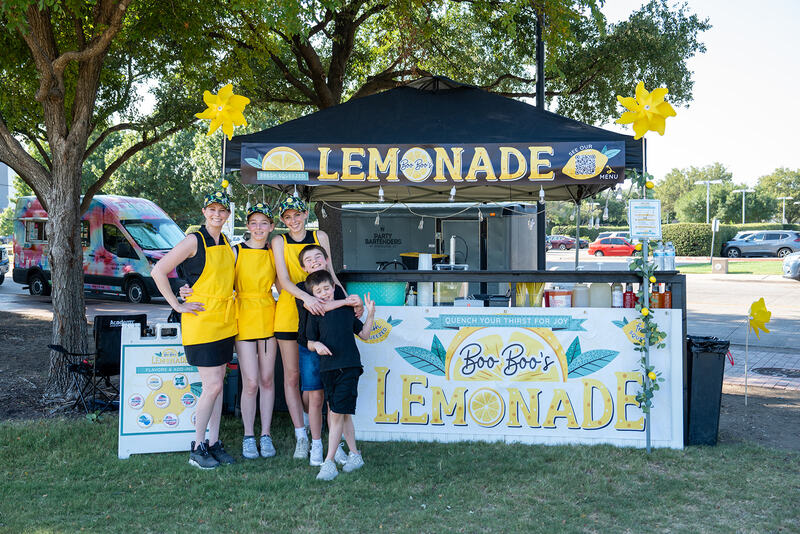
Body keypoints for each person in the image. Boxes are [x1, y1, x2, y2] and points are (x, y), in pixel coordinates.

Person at [151, 190, 237, 470]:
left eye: (222, 210)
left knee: (218, 385)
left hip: (224, 322)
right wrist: (177, 304)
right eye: (212, 210)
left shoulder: (225, 241)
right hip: (201, 323)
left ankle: (213, 443)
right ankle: (196, 447)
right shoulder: (192, 240)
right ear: (204, 212)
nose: (217, 214)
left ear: (227, 214)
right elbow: (159, 270)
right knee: (211, 386)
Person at [271, 196, 343, 461]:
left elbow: (331, 273)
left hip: (321, 313)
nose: (293, 221)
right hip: (291, 313)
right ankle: (301, 434)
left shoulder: (320, 235)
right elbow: (284, 280)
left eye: (297, 215)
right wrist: (307, 298)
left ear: (305, 214)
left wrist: (344, 300)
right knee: (292, 377)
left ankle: (321, 429)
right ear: (283, 220)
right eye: (288, 217)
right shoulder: (278, 241)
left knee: (319, 378)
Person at [304, 270, 375, 481]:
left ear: (334, 288)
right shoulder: (314, 314)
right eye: (318, 291)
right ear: (313, 294)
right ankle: (355, 455)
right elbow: (309, 341)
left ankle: (329, 462)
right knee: (343, 413)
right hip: (328, 369)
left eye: (327, 288)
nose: (324, 293)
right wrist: (316, 345)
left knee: (335, 414)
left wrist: (370, 313)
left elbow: (364, 334)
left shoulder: (346, 310)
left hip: (349, 366)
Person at [296, 244, 362, 466]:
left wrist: (358, 306)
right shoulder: (302, 288)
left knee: (334, 403)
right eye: (308, 259)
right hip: (310, 343)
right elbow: (321, 308)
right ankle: (317, 444)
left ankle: (337, 447)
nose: (314, 261)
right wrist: (346, 301)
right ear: (304, 267)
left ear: (326, 260)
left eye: (318, 257)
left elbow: (351, 315)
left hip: (335, 351)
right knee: (315, 396)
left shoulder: (336, 288)